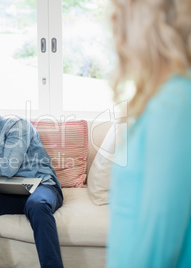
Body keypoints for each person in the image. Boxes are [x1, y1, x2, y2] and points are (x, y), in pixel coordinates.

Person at [107, 0, 191, 267]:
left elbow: (159, 239)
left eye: (119, 14)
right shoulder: (168, 97)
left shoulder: (174, 104)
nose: (113, 27)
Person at [0, 94, 64, 268]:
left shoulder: (17, 125)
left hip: (42, 185)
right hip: (13, 192)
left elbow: (9, 168)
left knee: (36, 205)